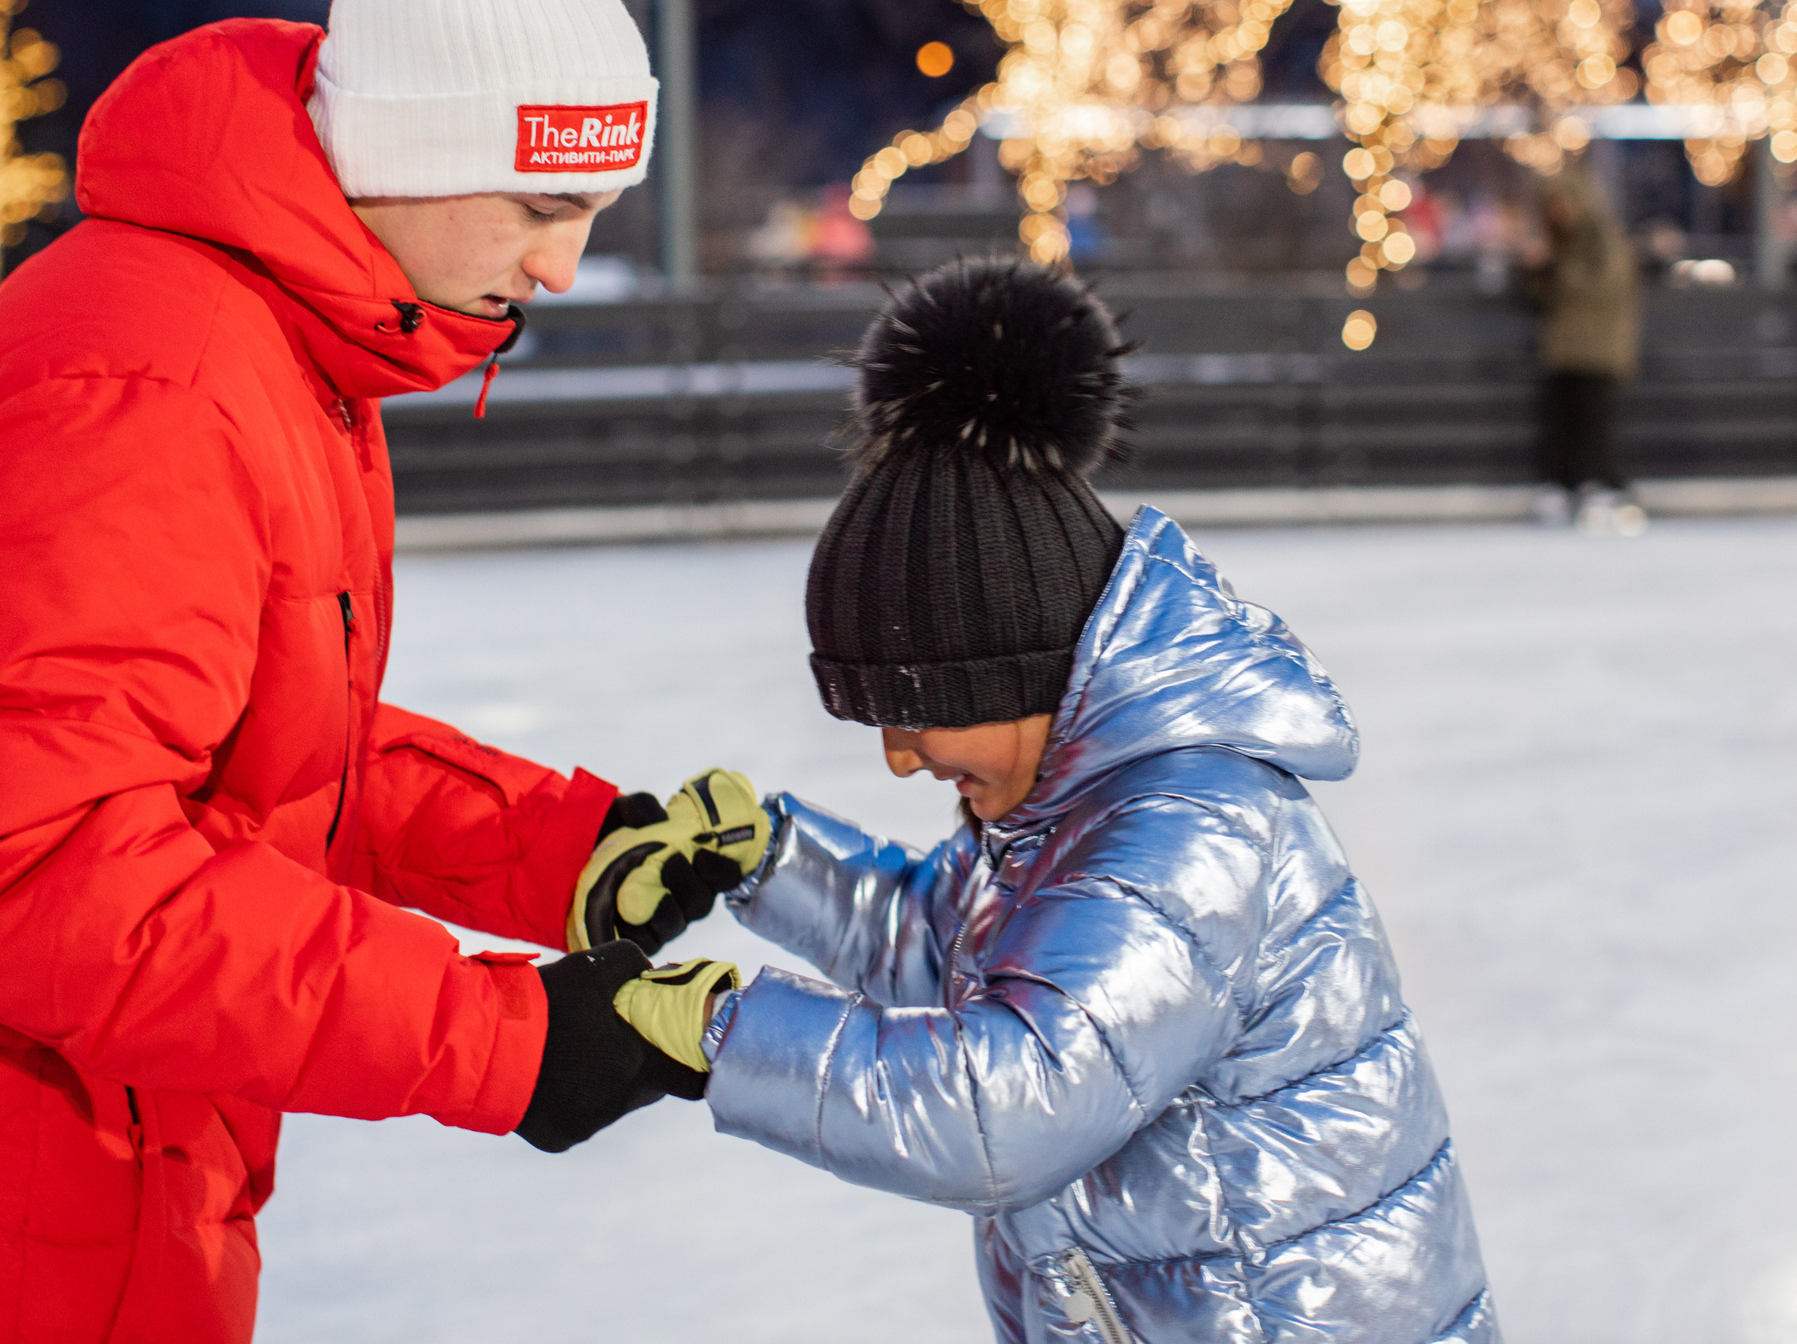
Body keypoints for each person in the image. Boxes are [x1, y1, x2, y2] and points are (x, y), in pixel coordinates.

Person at [0, 0, 756, 1341]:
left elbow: (243, 741)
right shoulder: (154, 385)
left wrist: (555, 850)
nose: (563, 266)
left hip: (60, 1160)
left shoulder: (273, 336)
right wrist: (507, 1039)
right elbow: (45, 871)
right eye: (544, 205)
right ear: (409, 154)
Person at [614, 262, 1497, 1343]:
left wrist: (722, 1033)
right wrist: (769, 858)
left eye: (913, 713)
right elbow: (950, 943)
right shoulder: (1064, 808)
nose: (899, 759)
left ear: (1008, 674)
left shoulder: (1186, 831)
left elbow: (1010, 1105)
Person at [1521, 159, 1644, 533]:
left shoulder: (1602, 240)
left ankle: (1608, 486)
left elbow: (1601, 287)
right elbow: (1549, 297)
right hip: (1564, 350)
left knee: (1595, 421)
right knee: (1564, 421)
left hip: (1599, 349)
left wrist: (1552, 267)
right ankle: (1568, 485)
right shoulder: (1560, 242)